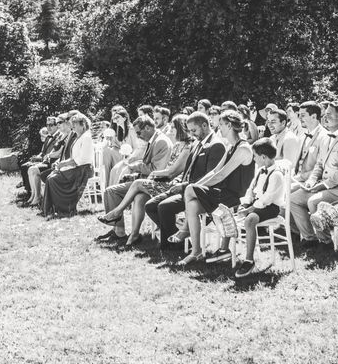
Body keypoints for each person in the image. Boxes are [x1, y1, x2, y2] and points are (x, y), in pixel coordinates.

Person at [97, 114, 193, 246]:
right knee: (139, 197)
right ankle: (133, 235)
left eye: (173, 128)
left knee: (136, 184)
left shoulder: (186, 147)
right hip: (163, 181)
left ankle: (117, 212)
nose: (170, 131)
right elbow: (167, 170)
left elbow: (171, 172)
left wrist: (152, 174)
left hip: (171, 184)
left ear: (181, 128)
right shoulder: (177, 146)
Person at [178, 110, 255, 264]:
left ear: (229, 125)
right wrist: (196, 186)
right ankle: (196, 252)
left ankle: (185, 230)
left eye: (221, 124)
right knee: (192, 205)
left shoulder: (243, 148)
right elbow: (214, 171)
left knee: (190, 190)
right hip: (222, 193)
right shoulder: (230, 147)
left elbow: (221, 175)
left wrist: (193, 188)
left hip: (235, 196)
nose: (218, 127)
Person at [143, 112, 226, 248]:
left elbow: (210, 177)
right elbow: (188, 170)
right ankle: (176, 238)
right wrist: (179, 182)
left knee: (164, 207)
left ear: (204, 125)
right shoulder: (196, 143)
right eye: (190, 131)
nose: (192, 134)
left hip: (200, 193)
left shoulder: (216, 145)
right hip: (185, 187)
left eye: (194, 130)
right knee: (150, 205)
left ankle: (170, 246)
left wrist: (184, 185)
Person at [290, 101, 338, 250]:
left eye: (329, 114)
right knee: (292, 199)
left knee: (313, 201)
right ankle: (310, 238)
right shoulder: (325, 137)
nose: (324, 117)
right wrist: (311, 181)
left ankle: (326, 242)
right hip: (324, 184)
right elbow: (320, 164)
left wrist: (323, 185)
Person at [234, 138, 286, 277]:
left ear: (263, 157)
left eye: (255, 156)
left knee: (250, 219)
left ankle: (249, 260)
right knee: (234, 212)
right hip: (257, 204)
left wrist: (249, 210)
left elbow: (266, 200)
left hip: (271, 207)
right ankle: (224, 250)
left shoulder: (276, 175)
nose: (254, 159)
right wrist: (245, 204)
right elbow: (251, 190)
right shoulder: (260, 170)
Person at [42, 114, 94, 218]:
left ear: (82, 124)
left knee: (53, 179)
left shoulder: (86, 137)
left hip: (83, 170)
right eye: (72, 125)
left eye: (74, 125)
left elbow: (81, 159)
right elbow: (73, 157)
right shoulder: (79, 137)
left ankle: (66, 208)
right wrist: (61, 164)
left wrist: (64, 164)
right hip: (77, 167)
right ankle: (51, 208)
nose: (73, 127)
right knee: (50, 177)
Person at [292, 101, 328, 191]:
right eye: (299, 115)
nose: (299, 118)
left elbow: (321, 167)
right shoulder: (302, 136)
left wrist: (299, 178)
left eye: (303, 115)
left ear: (314, 117)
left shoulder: (325, 136)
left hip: (311, 183)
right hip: (296, 179)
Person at [18, 117, 57, 196]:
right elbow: (42, 152)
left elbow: (52, 155)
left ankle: (33, 193)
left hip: (50, 163)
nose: (49, 127)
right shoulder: (48, 137)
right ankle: (29, 190)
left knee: (29, 167)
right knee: (24, 165)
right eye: (47, 125)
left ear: (57, 126)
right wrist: (36, 158)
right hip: (43, 160)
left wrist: (40, 159)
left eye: (51, 125)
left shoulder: (58, 138)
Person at [102, 108, 138, 188]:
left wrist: (130, 158)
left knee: (108, 153)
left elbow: (136, 147)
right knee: (106, 151)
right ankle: (106, 186)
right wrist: (109, 139)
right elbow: (115, 145)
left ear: (125, 118)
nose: (115, 120)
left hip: (131, 157)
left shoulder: (131, 129)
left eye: (117, 117)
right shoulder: (119, 130)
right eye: (114, 118)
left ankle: (110, 188)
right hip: (122, 155)